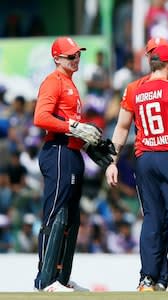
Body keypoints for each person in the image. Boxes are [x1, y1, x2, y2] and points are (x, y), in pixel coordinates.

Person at [105, 44, 168, 292]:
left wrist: (111, 161)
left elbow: (122, 128)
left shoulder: (136, 91)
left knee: (152, 218)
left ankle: (148, 279)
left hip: (143, 158)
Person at [33, 36, 101, 292]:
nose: (76, 59)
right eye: (71, 56)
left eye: (78, 55)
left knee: (71, 218)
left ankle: (61, 279)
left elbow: (71, 126)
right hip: (58, 152)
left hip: (71, 153)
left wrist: (88, 143)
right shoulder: (53, 81)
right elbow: (40, 117)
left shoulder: (71, 84)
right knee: (56, 215)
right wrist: (73, 126)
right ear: (57, 59)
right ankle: (45, 281)